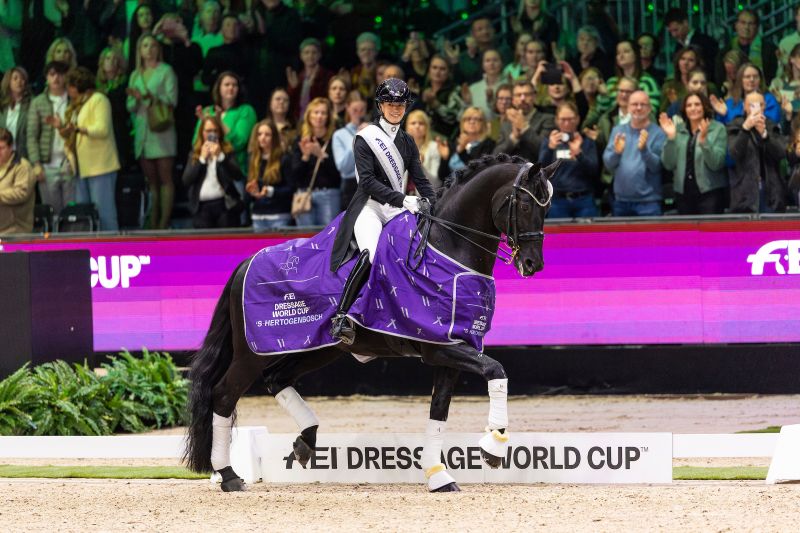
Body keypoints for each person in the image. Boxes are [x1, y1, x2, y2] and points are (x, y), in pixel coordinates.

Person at [328, 78, 436, 345]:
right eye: (389, 103)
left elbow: (421, 180)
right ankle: (342, 315)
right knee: (373, 253)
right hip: (370, 206)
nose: (395, 109)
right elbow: (367, 182)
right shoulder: (365, 138)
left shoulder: (408, 141)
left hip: (398, 208)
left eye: (400, 104)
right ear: (380, 105)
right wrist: (403, 200)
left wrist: (435, 204)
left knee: (417, 251)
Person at [56, 67, 120, 231]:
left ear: (78, 85)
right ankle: (89, 248)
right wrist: (63, 128)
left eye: (69, 85)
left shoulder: (99, 100)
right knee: (85, 214)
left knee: (105, 213)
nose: (68, 90)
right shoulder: (78, 105)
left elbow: (102, 129)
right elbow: (74, 134)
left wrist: (79, 128)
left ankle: (111, 249)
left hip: (100, 166)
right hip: (82, 168)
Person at [127, 35, 178, 229]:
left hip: (162, 130)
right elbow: (130, 105)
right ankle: (152, 221)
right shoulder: (135, 74)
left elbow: (173, 100)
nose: (149, 49)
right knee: (151, 182)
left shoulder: (166, 71)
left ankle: (164, 222)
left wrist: (148, 95)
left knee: (165, 179)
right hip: (143, 132)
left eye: (153, 45)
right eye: (145, 45)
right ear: (139, 50)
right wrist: (135, 98)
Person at [659, 92, 728, 215]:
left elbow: (716, 164)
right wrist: (671, 138)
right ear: (684, 109)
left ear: (704, 107)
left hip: (710, 194)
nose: (693, 108)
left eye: (697, 104)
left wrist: (704, 142)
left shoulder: (718, 129)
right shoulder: (677, 130)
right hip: (683, 194)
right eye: (689, 105)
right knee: (687, 234)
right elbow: (668, 164)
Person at [602, 90, 666, 216]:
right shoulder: (618, 130)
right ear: (628, 107)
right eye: (634, 104)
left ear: (650, 108)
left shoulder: (658, 133)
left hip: (649, 203)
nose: (638, 108)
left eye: (643, 104)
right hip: (620, 201)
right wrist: (617, 153)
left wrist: (644, 150)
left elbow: (657, 167)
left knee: (650, 237)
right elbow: (608, 164)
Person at [727, 92, 789, 213]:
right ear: (744, 106)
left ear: (764, 106)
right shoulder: (734, 126)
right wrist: (745, 129)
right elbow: (734, 153)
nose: (756, 108)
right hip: (744, 192)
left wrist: (765, 135)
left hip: (770, 190)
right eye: (751, 105)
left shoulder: (772, 125)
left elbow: (781, 153)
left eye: (760, 104)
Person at [26, 61, 74, 214]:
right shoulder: (38, 102)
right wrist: (36, 164)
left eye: (60, 74)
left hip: (70, 163)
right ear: (46, 77)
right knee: (53, 213)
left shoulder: (74, 99)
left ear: (66, 76)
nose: (56, 78)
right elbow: (31, 136)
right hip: (47, 166)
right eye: (52, 74)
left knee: (72, 213)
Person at [538, 101, 599, 218]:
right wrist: (550, 148)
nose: (567, 123)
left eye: (570, 119)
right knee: (559, 236)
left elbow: (594, 170)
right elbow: (541, 172)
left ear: (577, 119)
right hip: (557, 200)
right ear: (556, 120)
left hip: (583, 199)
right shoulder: (550, 141)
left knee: (587, 235)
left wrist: (579, 154)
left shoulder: (586, 141)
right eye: (563, 119)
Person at [182, 114, 244, 228]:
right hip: (201, 209)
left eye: (215, 131)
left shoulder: (227, 151)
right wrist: (202, 160)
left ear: (220, 133)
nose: (212, 134)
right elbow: (186, 180)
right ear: (202, 133)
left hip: (225, 206)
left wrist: (220, 156)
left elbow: (238, 175)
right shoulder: (195, 153)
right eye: (208, 131)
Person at [289, 96, 341, 226]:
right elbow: (295, 175)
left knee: (328, 237)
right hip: (305, 195)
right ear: (309, 116)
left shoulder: (335, 138)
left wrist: (320, 155)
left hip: (328, 194)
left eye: (323, 113)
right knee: (305, 240)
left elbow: (338, 174)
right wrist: (305, 157)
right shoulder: (300, 140)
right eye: (316, 112)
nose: (319, 116)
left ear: (328, 117)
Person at [492, 79, 555, 163]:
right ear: (513, 99)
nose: (522, 98)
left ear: (534, 96)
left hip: (536, 172)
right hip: (510, 173)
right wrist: (514, 137)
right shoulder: (506, 123)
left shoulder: (547, 119)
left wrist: (525, 128)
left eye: (527, 94)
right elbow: (495, 156)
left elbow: (545, 150)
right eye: (518, 95)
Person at [245, 119, 293, 230]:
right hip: (258, 216)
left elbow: (291, 189)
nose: (262, 138)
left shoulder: (283, 159)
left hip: (279, 216)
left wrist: (270, 191)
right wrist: (251, 191)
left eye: (267, 135)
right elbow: (248, 196)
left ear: (274, 138)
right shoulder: (253, 159)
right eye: (260, 134)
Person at [716, 9, 777, 87]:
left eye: (751, 24)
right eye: (743, 23)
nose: (746, 27)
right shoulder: (726, 51)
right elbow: (720, 78)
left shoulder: (769, 50)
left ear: (757, 27)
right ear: (736, 25)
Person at [96, 46, 132, 170]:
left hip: (119, 133)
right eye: (108, 58)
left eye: (114, 58)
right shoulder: (96, 86)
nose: (111, 61)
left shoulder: (125, 85)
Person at [710, 63, 780, 125]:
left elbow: (772, 122)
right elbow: (722, 129)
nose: (752, 80)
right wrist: (722, 115)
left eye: (755, 77)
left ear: (760, 80)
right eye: (747, 77)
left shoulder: (769, 100)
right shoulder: (730, 102)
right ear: (740, 80)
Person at [664, 7, 719, 83]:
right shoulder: (678, 46)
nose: (674, 35)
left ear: (685, 23)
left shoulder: (706, 42)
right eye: (671, 32)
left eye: (676, 30)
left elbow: (712, 69)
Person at [332, 90, 367, 210]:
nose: (358, 114)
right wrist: (357, 139)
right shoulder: (339, 135)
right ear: (347, 108)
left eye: (361, 110)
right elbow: (343, 167)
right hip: (350, 186)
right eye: (355, 110)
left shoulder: (373, 131)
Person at [286, 38, 333, 121]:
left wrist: (315, 85)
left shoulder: (327, 76)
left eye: (314, 52)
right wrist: (293, 88)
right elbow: (290, 104)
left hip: (319, 119)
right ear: (301, 56)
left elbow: (328, 100)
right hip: (299, 120)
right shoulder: (298, 77)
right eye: (306, 52)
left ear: (319, 55)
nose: (310, 56)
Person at [0, 127, 35, 234]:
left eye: (1, 148)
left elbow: (21, 193)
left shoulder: (22, 166)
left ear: (11, 147)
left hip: (15, 230)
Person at [445, 107, 496, 173]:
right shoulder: (456, 141)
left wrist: (462, 151)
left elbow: (477, 171)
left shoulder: (489, 144)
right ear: (463, 122)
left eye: (476, 119)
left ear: (483, 124)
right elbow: (442, 175)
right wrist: (444, 159)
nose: (472, 122)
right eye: (468, 119)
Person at [405, 109, 444, 188]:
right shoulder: (399, 147)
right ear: (407, 127)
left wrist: (420, 167)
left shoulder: (434, 147)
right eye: (413, 123)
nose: (417, 126)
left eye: (421, 123)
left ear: (427, 128)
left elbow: (435, 184)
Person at [0, 67, 31, 159]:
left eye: (22, 78)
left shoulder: (32, 104)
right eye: (15, 78)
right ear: (8, 81)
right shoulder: (2, 105)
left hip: (23, 156)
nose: (19, 81)